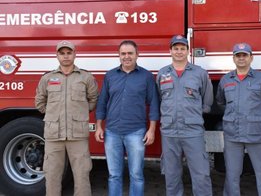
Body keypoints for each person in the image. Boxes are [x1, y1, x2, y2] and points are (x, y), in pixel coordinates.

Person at [94, 40, 159, 196]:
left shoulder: (147, 76)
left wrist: (151, 130)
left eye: (130, 53)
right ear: (119, 56)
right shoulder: (110, 76)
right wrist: (99, 126)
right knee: (114, 175)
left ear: (137, 55)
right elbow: (102, 102)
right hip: (112, 132)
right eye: (123, 53)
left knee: (136, 175)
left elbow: (154, 104)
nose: (127, 57)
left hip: (136, 132)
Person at [216, 43, 261, 196]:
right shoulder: (226, 80)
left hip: (256, 133)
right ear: (233, 58)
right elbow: (220, 102)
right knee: (231, 174)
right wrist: (232, 116)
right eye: (238, 55)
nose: (241, 58)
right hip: (233, 134)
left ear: (251, 58)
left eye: (244, 55)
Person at [35, 40, 98, 196]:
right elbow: (39, 101)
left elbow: (93, 100)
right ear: (57, 56)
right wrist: (52, 115)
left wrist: (79, 114)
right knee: (52, 175)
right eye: (62, 53)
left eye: (69, 53)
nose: (66, 56)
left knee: (82, 174)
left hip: (77, 135)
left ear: (74, 54)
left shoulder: (86, 77)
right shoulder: (47, 78)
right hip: (53, 135)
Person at [156, 35, 214, 196]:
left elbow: (207, 100)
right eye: (176, 48)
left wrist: (192, 115)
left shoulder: (199, 73)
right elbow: (160, 98)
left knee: (201, 174)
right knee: (171, 175)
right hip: (169, 131)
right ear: (170, 51)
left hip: (192, 131)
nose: (179, 52)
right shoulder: (162, 74)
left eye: (183, 48)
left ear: (188, 51)